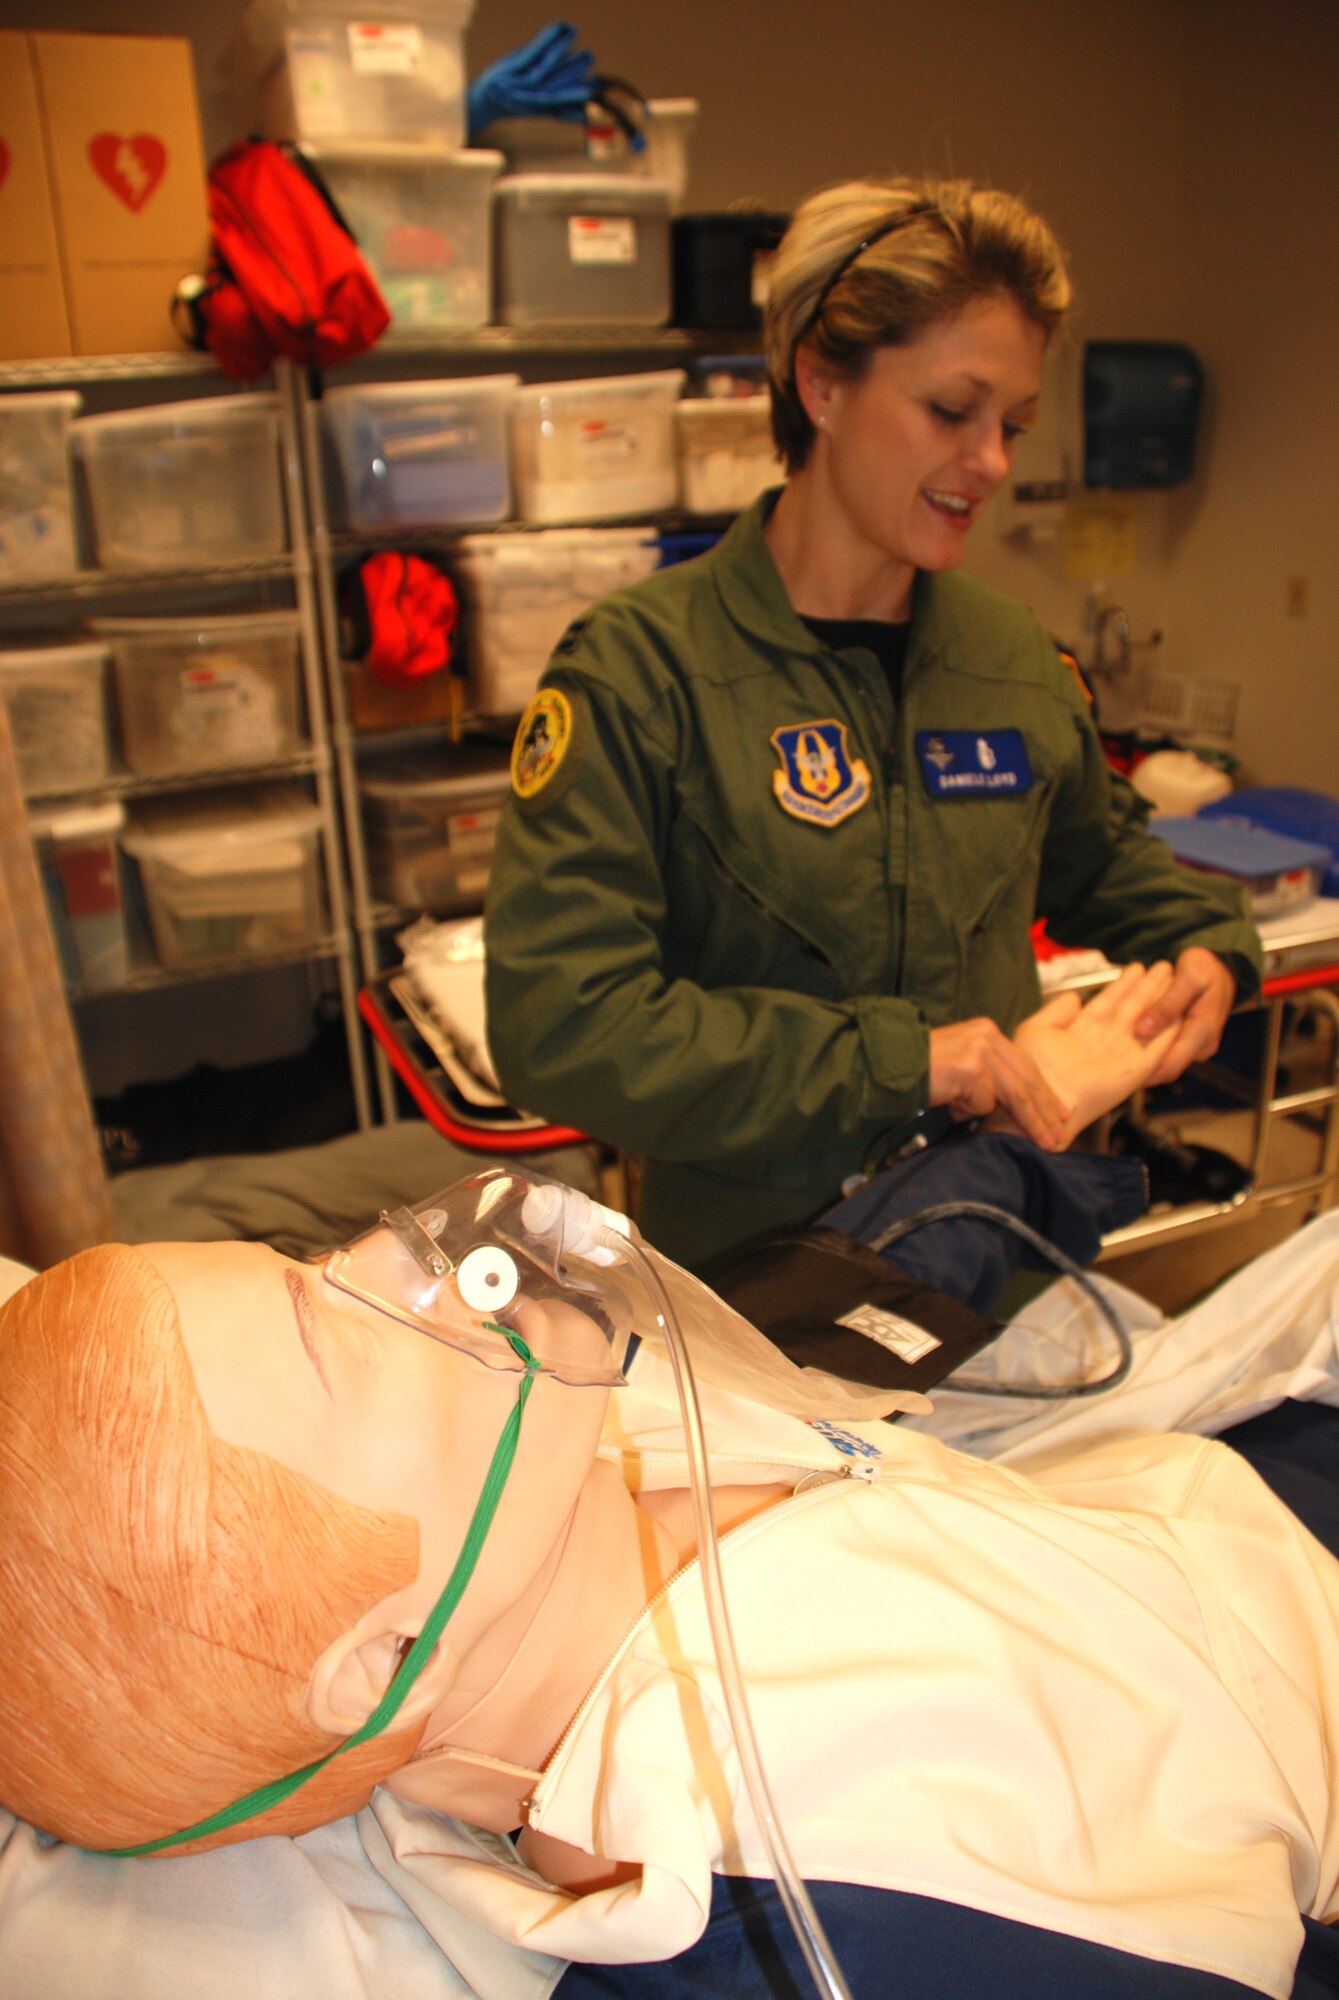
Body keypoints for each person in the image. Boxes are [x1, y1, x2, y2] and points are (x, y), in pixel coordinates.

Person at [2, 1147, 1339, 2000]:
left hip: (1193, 1511)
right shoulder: (790, 1877)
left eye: (313, 1263)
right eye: (337, 1335)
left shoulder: (581, 1463)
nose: (392, 1258)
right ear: (374, 1661)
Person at [483, 174, 1263, 1274]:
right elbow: (562, 1028)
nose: (992, 461)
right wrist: (903, 1063)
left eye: (1013, 424)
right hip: (753, 1302)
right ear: (820, 384)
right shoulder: (642, 674)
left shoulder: (1010, 665)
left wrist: (1209, 951)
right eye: (952, 411)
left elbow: (1111, 864)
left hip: (987, 1267)